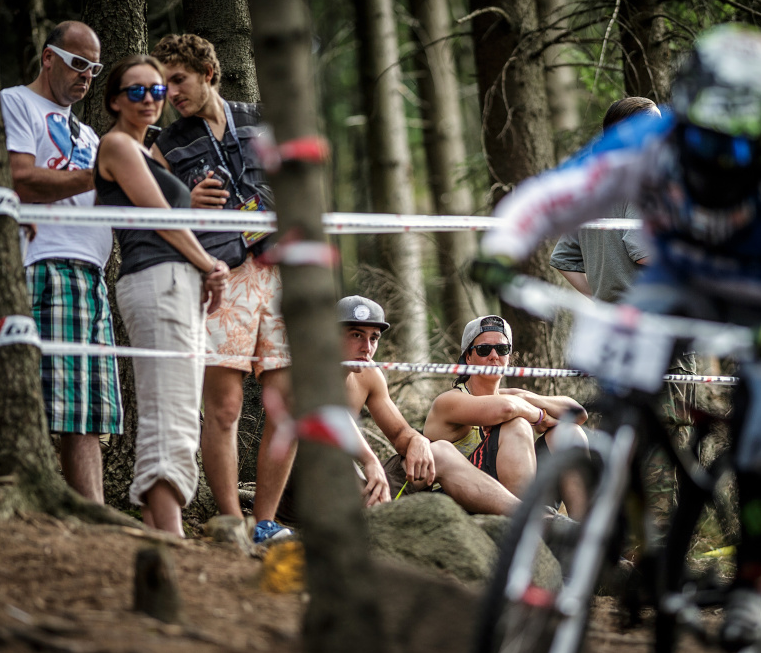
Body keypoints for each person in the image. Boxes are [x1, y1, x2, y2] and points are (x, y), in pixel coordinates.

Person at [473, 24, 761, 648]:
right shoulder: (652, 139)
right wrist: (502, 244)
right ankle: (628, 533)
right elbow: (560, 192)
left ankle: (752, 581)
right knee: (621, 392)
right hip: (675, 282)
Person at [150, 34, 294, 545]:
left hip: (279, 271)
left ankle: (266, 522)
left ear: (208, 74)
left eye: (178, 80)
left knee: (286, 401)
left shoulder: (261, 120)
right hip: (218, 275)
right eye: (163, 85)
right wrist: (185, 201)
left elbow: (299, 183)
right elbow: (151, 214)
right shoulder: (164, 144)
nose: (170, 94)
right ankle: (232, 522)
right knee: (226, 407)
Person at [94, 55, 232, 536]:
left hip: (175, 281)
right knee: (169, 411)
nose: (150, 99)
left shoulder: (147, 152)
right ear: (115, 100)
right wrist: (209, 264)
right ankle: (170, 530)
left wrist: (203, 269)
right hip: (157, 280)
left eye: (156, 90)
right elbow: (161, 219)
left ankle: (159, 527)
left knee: (179, 410)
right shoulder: (117, 145)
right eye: (136, 90)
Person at [1, 21, 122, 503]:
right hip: (48, 262)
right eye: (77, 64)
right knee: (47, 407)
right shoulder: (16, 102)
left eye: (94, 69)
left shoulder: (89, 133)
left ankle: (92, 515)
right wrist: (97, 176)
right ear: (48, 57)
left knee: (89, 414)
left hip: (93, 274)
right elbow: (20, 178)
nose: (86, 76)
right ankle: (31, 506)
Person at [338, 296, 521, 516]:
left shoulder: (369, 375)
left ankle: (534, 518)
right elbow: (330, 418)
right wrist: (370, 461)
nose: (367, 347)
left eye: (374, 338)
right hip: (319, 484)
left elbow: (399, 434)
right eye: (356, 335)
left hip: (359, 482)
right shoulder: (308, 372)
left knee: (440, 451)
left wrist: (417, 440)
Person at [422, 314, 588, 499]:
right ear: (468, 357)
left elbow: (579, 414)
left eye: (502, 349)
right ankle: (524, 515)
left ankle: (582, 517)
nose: (494, 356)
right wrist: (542, 417)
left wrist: (525, 397)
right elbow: (506, 409)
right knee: (517, 424)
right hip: (459, 493)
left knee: (568, 432)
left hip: (505, 489)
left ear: (509, 357)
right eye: (484, 350)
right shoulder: (449, 401)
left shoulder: (512, 398)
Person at [549, 97, 660, 303]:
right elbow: (643, 253)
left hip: (614, 313)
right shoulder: (640, 180)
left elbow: (562, 258)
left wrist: (600, 298)